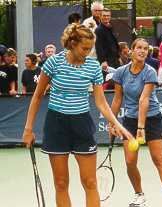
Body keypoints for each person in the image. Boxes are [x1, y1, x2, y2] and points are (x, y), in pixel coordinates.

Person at [22, 23, 134, 207]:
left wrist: (117, 124)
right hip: (56, 125)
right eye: (84, 48)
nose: (88, 52)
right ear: (72, 43)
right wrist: (28, 128)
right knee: (61, 183)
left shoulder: (92, 66)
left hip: (82, 124)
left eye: (91, 49)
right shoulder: (53, 63)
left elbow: (100, 102)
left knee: (90, 182)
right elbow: (37, 97)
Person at [109, 38, 162, 207]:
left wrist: (141, 127)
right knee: (130, 161)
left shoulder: (150, 72)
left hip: (152, 118)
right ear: (131, 51)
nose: (142, 51)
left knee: (159, 159)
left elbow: (144, 99)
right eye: (139, 48)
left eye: (146, 49)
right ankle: (139, 195)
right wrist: (112, 122)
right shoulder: (120, 72)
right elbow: (117, 99)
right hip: (130, 121)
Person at [95, 8, 120, 81]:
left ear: (110, 16)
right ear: (100, 16)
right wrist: (103, 61)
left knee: (117, 80)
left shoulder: (110, 27)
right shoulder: (98, 30)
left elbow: (114, 43)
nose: (106, 17)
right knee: (109, 81)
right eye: (104, 15)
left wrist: (118, 57)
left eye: (108, 15)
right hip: (107, 62)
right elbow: (98, 46)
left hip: (115, 59)